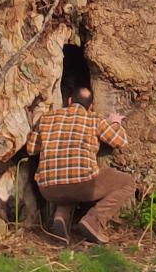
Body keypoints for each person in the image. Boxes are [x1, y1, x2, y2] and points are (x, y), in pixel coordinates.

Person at [24, 82, 133, 244]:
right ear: (91, 107)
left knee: (69, 185)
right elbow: (121, 140)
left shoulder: (47, 119)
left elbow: (31, 148)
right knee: (128, 182)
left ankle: (60, 219)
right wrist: (114, 122)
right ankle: (94, 221)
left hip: (48, 189)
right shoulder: (93, 119)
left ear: (69, 101)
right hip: (81, 185)